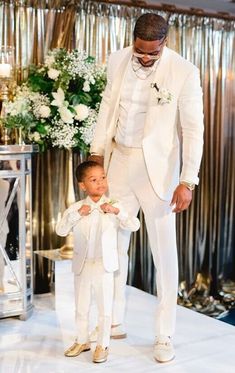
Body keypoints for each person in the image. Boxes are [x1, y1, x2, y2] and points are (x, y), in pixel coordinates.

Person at [89, 13, 204, 363]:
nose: (144, 58)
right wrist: (96, 156)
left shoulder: (184, 71)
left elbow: (193, 130)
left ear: (165, 43)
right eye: (140, 51)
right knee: (113, 243)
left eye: (151, 54)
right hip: (118, 160)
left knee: (163, 254)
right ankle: (113, 322)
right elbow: (107, 107)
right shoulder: (116, 59)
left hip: (159, 172)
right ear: (133, 40)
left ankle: (163, 334)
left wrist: (188, 180)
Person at [56, 161, 140, 364]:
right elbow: (60, 230)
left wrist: (117, 212)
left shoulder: (114, 204)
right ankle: (82, 340)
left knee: (104, 308)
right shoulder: (76, 208)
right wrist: (78, 214)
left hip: (105, 265)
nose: (100, 183)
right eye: (93, 180)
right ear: (82, 185)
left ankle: (103, 344)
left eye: (103, 177)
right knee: (81, 306)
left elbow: (134, 225)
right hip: (83, 265)